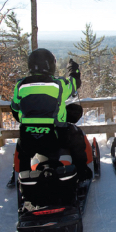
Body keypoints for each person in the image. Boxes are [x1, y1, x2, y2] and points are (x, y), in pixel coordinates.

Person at [8, 48, 91, 184]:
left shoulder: (20, 85)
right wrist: (74, 70)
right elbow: (75, 84)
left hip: (29, 139)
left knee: (22, 147)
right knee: (77, 136)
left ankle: (21, 177)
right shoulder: (58, 85)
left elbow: (15, 109)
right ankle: (82, 172)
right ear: (50, 65)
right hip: (56, 138)